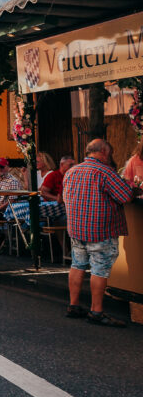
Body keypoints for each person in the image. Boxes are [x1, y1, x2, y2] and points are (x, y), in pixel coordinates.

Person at [63, 138, 135, 327]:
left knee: (77, 265)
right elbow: (126, 196)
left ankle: (73, 305)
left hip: (76, 229)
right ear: (103, 152)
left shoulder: (72, 171)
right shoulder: (105, 172)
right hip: (100, 230)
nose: (110, 157)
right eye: (110, 153)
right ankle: (96, 311)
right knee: (99, 270)